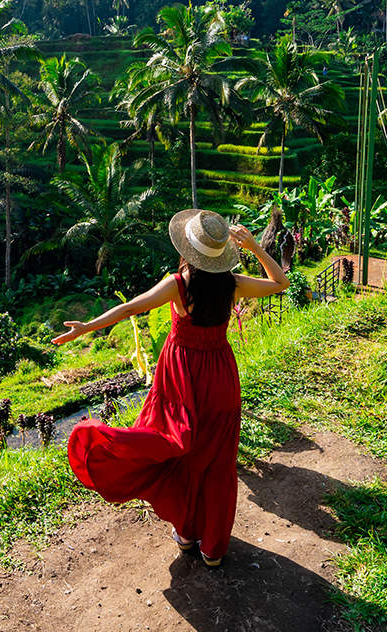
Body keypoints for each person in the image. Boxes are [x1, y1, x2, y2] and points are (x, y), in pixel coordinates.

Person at [54, 209, 287, 568]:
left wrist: (86, 327)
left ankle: (188, 532)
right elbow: (280, 283)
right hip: (221, 378)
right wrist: (255, 247)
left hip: (181, 378)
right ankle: (213, 548)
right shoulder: (233, 283)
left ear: (187, 250)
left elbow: (128, 308)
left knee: (179, 453)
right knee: (218, 463)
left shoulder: (178, 284)